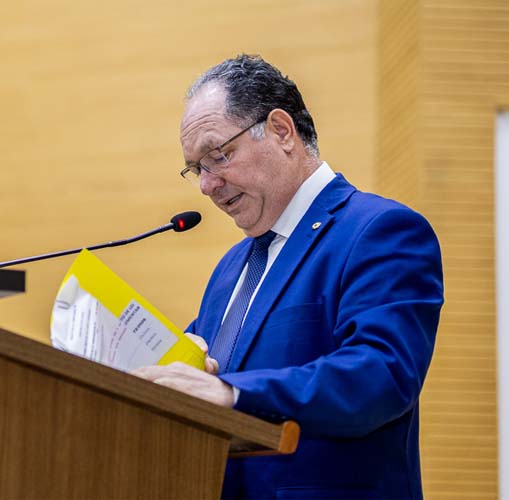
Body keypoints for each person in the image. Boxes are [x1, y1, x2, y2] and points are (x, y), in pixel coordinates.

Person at [132, 54, 444, 499]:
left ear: (281, 131)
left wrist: (233, 392)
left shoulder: (378, 231)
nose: (207, 185)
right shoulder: (230, 270)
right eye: (197, 168)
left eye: (218, 156)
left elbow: (381, 375)